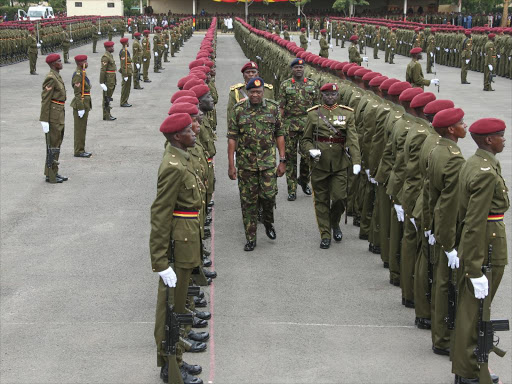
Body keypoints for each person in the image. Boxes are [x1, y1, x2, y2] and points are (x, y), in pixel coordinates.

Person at [451, 118, 508, 384]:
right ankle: (470, 371)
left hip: (481, 243)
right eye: (500, 136)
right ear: (488, 140)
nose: (504, 140)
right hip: (486, 245)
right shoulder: (485, 171)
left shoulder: (476, 162)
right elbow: (474, 221)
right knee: (475, 310)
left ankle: (467, 368)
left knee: (472, 309)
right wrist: (474, 268)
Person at [150, 113, 204, 384]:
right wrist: (160, 262)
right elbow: (160, 214)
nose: (194, 132)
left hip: (187, 239)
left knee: (179, 307)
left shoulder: (182, 158)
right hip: (178, 245)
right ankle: (172, 370)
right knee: (172, 309)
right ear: (176, 137)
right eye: (187, 130)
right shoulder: (173, 166)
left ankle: (177, 360)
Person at [227, 77, 286, 252]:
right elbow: (232, 139)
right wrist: (231, 165)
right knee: (248, 202)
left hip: (267, 163)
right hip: (246, 165)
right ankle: (250, 237)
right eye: (252, 92)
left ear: (263, 93)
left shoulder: (273, 108)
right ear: (248, 91)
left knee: (268, 196)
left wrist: (282, 160)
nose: (255, 95)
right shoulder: (238, 110)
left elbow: (280, 135)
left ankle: (268, 222)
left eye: (258, 92)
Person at [301, 83, 361, 249]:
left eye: (333, 94)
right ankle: (325, 234)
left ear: (338, 96)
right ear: (322, 95)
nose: (330, 97)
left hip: (339, 163)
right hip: (319, 164)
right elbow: (305, 139)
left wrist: (356, 161)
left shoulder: (346, 114)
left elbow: (353, 139)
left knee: (340, 198)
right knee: (321, 200)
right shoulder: (313, 114)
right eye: (327, 94)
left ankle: (334, 222)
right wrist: (310, 150)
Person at [427, 108, 467, 357]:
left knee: (441, 282)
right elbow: (450, 203)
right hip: (447, 228)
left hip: (437, 223)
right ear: (451, 130)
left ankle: (440, 336)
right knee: (444, 284)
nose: (466, 125)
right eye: (462, 123)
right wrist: (450, 242)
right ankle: (442, 339)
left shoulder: (438, 149)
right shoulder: (453, 158)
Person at [279, 58, 318, 201]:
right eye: (296, 68)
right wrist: (278, 126)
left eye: (301, 68)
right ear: (292, 69)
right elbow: (281, 108)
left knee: (308, 157)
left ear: (304, 69)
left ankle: (303, 180)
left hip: (308, 127)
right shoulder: (285, 85)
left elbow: (316, 108)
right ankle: (292, 189)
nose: (298, 70)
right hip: (290, 126)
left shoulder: (312, 85)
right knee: (290, 159)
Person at [39, 53, 67, 184]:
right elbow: (45, 99)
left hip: (59, 113)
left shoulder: (56, 75)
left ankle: (52, 171)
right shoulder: (51, 78)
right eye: (59, 61)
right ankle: (51, 175)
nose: (61, 63)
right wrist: (44, 119)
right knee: (53, 145)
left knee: (56, 143)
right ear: (53, 64)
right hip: (53, 115)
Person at [70, 55, 92, 158]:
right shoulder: (78, 74)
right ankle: (78, 151)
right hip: (81, 103)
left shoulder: (82, 72)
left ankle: (81, 149)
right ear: (80, 63)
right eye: (85, 61)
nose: (87, 62)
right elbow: (77, 93)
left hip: (85, 103)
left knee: (82, 128)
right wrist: (80, 107)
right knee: (79, 129)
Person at [99, 41, 117, 121]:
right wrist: (102, 82)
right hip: (108, 79)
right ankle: (106, 115)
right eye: (111, 47)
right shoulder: (105, 57)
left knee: (108, 97)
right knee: (106, 97)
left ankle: (107, 114)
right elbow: (103, 70)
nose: (113, 48)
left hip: (112, 78)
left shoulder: (110, 55)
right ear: (107, 48)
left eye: (112, 46)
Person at [119, 37, 132, 107]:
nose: (128, 43)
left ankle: (125, 100)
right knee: (125, 88)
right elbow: (123, 64)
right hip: (126, 72)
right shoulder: (123, 52)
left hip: (128, 71)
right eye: (127, 42)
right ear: (125, 43)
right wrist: (125, 75)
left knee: (128, 87)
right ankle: (123, 101)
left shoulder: (125, 50)